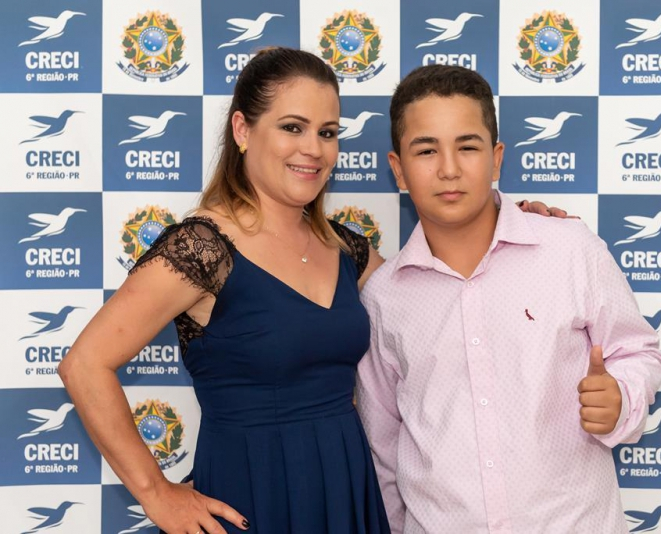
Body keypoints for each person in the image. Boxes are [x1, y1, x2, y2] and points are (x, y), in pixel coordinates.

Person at [58, 48, 559, 534]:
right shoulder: (202, 248)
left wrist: (511, 224)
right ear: (242, 130)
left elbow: (439, 293)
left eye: (327, 132)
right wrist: (155, 493)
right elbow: (84, 365)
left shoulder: (345, 249)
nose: (314, 149)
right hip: (250, 495)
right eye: (292, 128)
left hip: (348, 491)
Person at [355, 65, 661, 533]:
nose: (449, 168)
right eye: (426, 150)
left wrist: (621, 398)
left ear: (497, 158)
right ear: (398, 169)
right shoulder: (384, 296)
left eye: (468, 146)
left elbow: (639, 351)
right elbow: (383, 443)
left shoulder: (571, 249)